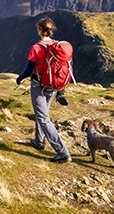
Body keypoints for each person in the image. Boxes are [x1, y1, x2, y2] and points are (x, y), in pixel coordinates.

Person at [16, 17, 72, 163]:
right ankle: (39, 141)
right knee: (42, 113)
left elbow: (29, 70)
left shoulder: (36, 48)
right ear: (52, 30)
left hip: (38, 86)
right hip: (53, 86)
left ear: (39, 29)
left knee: (43, 118)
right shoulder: (58, 47)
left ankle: (62, 152)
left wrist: (20, 78)